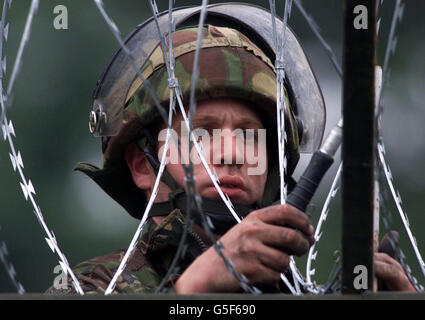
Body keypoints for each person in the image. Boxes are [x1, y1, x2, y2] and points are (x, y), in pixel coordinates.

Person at [46, 5, 416, 295]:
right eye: (201, 134)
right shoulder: (93, 285)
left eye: (248, 135)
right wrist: (196, 289)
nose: (232, 153)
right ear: (144, 165)